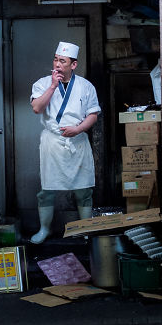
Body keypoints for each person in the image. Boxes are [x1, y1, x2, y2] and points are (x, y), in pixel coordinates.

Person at [29, 41, 101, 244]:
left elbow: (93, 114)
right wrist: (53, 86)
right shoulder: (42, 83)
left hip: (77, 141)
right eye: (55, 59)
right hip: (52, 142)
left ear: (73, 65)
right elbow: (37, 108)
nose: (57, 64)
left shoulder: (86, 86)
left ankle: (85, 229)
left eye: (62, 61)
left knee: (84, 189)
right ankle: (44, 229)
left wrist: (78, 129)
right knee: (47, 189)